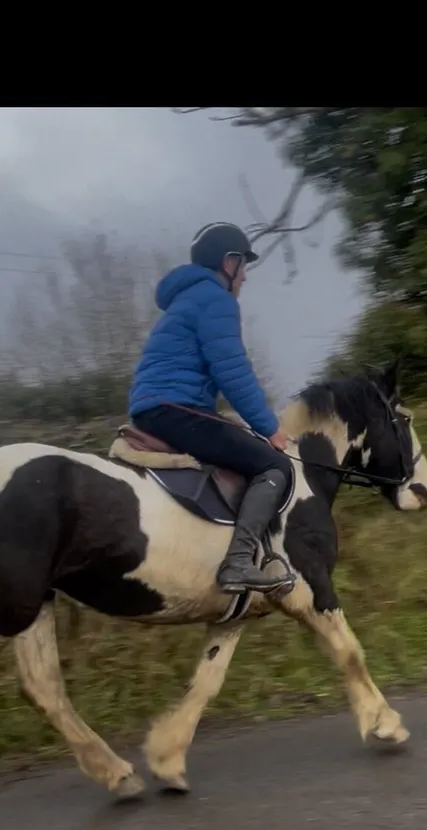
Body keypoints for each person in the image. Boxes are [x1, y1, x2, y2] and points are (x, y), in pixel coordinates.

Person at [128, 222, 296, 595]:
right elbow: (233, 372)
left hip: (156, 408)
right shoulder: (215, 299)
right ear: (229, 262)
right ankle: (238, 563)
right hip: (175, 410)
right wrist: (270, 428)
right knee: (274, 465)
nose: (246, 277)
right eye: (244, 266)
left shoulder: (187, 299)